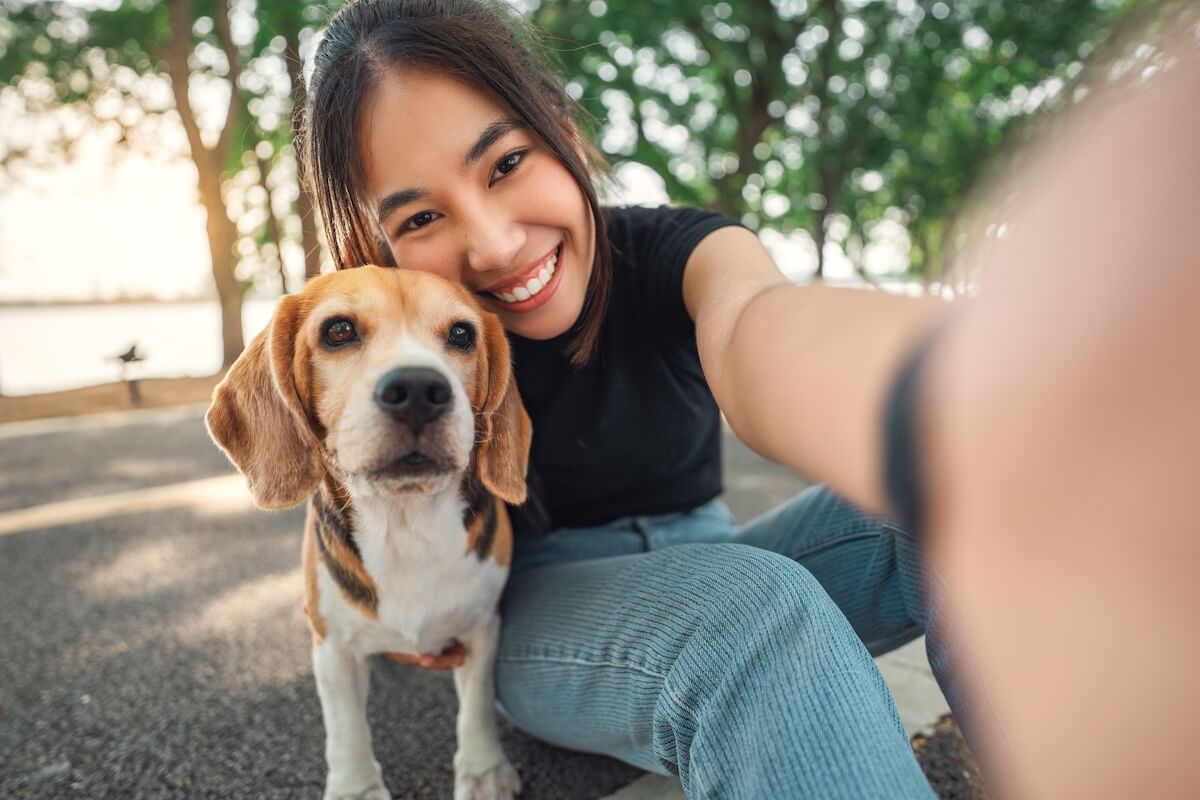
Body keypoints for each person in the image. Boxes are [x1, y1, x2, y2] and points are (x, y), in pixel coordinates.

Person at [301, 1, 1200, 797]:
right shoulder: (406, 366)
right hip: (539, 606)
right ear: (370, 245)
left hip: (719, 551)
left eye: (505, 164)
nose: (493, 245)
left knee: (945, 499)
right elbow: (335, 482)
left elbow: (757, 330)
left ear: (566, 135)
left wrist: (987, 408)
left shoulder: (674, 252)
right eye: (421, 218)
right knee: (749, 607)